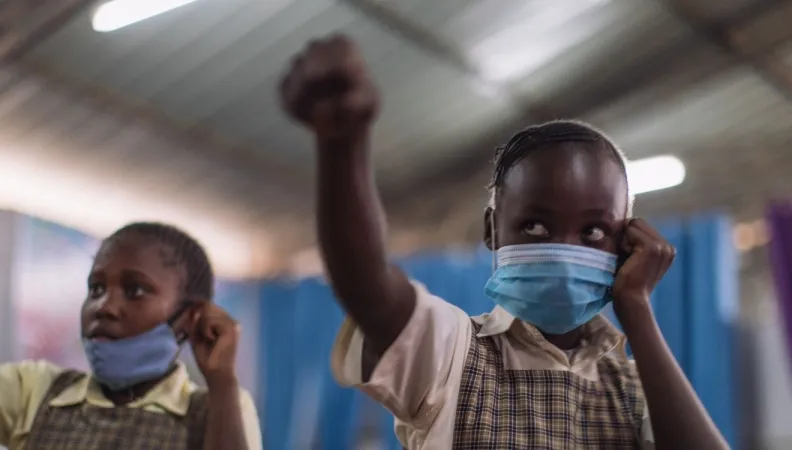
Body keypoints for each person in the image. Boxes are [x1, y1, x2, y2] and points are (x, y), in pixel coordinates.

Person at [279, 35, 730, 449]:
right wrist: (344, 145)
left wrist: (639, 312)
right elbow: (369, 287)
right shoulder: (452, 353)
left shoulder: (636, 387)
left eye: (593, 231)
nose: (563, 248)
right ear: (492, 231)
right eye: (535, 226)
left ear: (625, 244)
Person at [0, 222, 262, 450]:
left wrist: (222, 380)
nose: (104, 307)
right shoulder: (36, 391)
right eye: (96, 289)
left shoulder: (218, 408)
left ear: (191, 317)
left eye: (135, 290)